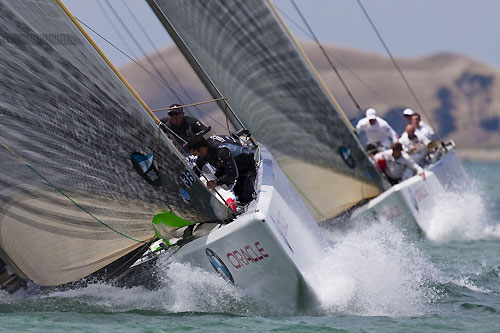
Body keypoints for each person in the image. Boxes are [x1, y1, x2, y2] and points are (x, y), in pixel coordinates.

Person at [185, 134, 256, 204]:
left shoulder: (221, 151)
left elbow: (233, 174)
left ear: (201, 149)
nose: (196, 156)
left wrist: (216, 182)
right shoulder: (204, 150)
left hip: (244, 162)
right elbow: (198, 167)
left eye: (195, 154)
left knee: (243, 196)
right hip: (226, 165)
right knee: (219, 180)